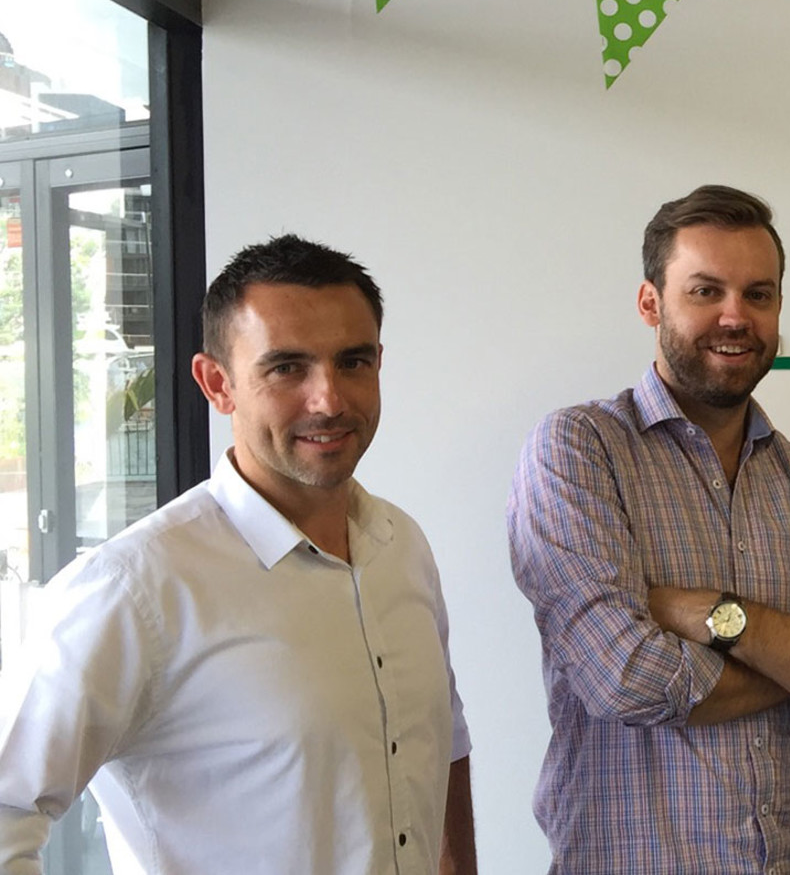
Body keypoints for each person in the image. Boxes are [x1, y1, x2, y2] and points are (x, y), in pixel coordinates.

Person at [0, 235, 475, 873]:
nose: (329, 399)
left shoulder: (403, 545)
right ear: (217, 383)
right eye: (287, 368)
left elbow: (440, 738)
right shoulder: (137, 587)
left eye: (353, 362)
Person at [508, 184, 790, 875]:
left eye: (759, 294)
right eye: (705, 291)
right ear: (650, 303)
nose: (736, 316)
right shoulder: (579, 450)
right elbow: (627, 679)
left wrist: (709, 615)